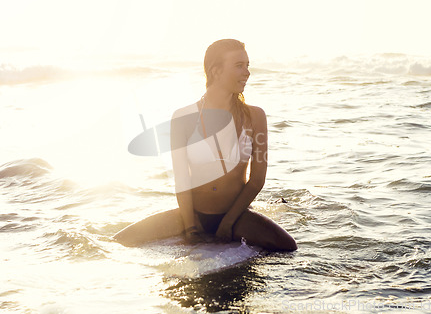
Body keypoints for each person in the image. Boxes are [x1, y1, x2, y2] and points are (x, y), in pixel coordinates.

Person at [113, 39, 297, 251]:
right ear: (215, 71)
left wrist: (228, 223)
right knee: (120, 241)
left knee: (288, 247)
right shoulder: (183, 117)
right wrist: (191, 227)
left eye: (248, 65)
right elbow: (181, 178)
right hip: (193, 216)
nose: (247, 72)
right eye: (239, 66)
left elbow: (257, 180)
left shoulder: (255, 116)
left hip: (237, 216)